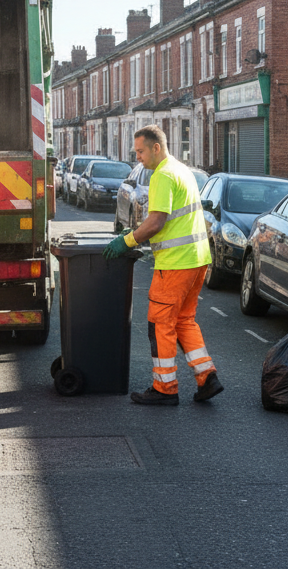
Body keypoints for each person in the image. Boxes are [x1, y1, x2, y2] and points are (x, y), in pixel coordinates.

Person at [103, 125, 223, 406]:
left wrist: (128, 241)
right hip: (198, 260)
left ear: (156, 147)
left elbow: (157, 222)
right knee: (184, 320)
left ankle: (165, 388)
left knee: (160, 325)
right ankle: (207, 378)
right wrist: (133, 232)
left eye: (141, 151)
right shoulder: (182, 170)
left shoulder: (162, 176)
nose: (139, 158)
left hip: (175, 264)